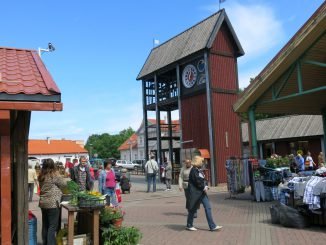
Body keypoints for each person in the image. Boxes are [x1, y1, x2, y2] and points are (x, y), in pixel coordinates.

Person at [186, 156, 222, 231]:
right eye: (201, 161)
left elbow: (202, 180)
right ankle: (189, 225)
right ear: (198, 162)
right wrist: (204, 187)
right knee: (192, 209)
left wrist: (205, 185)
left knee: (208, 207)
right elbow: (198, 181)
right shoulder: (194, 170)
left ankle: (212, 226)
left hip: (201, 193)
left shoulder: (198, 170)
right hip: (196, 193)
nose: (202, 163)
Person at [38, 158, 66, 245]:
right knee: (52, 226)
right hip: (53, 204)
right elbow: (64, 184)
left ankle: (45, 243)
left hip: (43, 203)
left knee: (45, 225)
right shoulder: (54, 174)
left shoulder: (41, 175)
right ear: (53, 165)